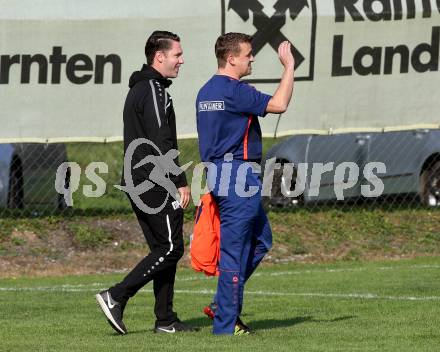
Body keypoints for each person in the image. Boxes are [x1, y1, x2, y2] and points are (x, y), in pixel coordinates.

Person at [96, 30, 196, 334]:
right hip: (155, 180)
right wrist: (179, 179)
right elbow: (161, 137)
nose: (182, 60)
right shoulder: (152, 89)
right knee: (170, 248)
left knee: (163, 248)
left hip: (141, 179)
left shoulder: (145, 87)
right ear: (159, 56)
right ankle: (116, 295)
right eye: (177, 54)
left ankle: (165, 319)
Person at [196, 32, 295, 335]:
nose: (252, 58)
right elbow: (279, 104)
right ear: (231, 58)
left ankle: (222, 303)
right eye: (248, 54)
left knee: (261, 240)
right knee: (234, 252)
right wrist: (289, 67)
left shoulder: (206, 91)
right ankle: (225, 327)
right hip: (238, 175)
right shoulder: (234, 91)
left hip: (219, 173)